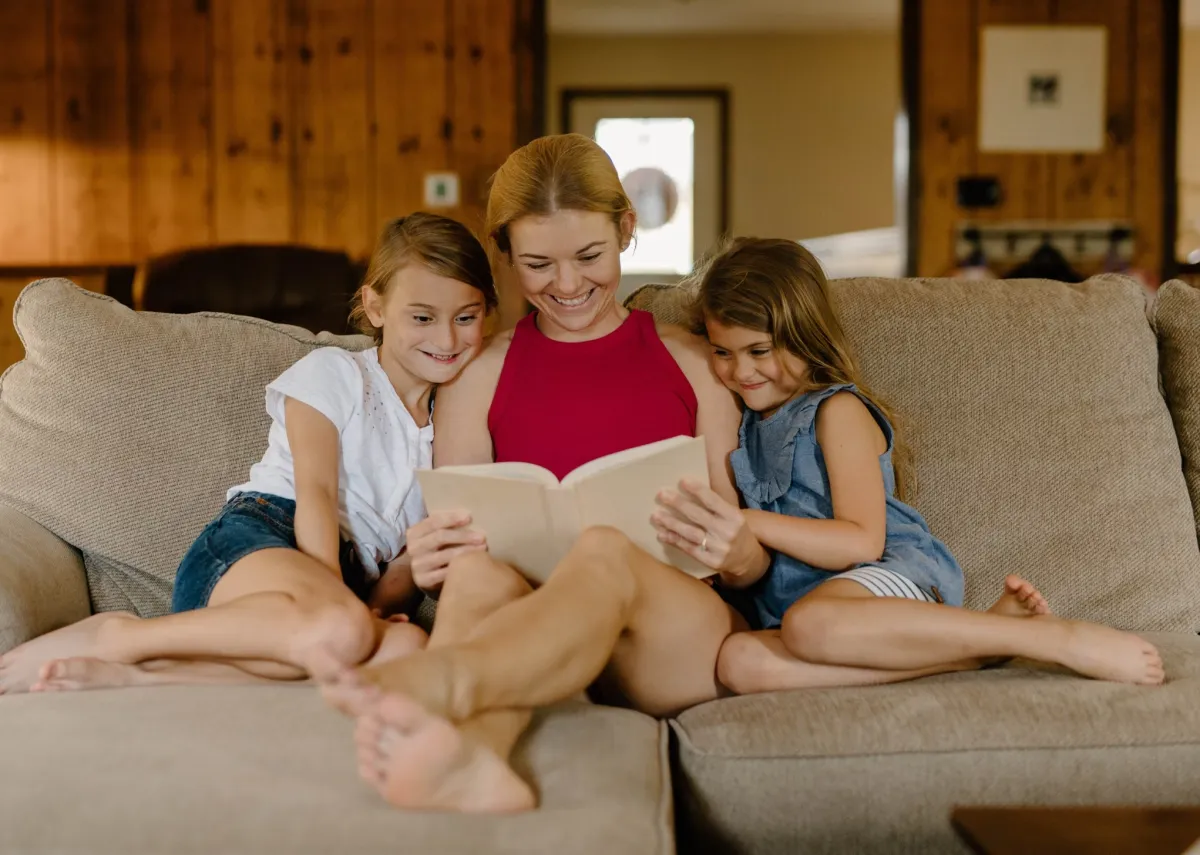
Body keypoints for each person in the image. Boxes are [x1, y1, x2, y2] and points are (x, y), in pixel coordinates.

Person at [0, 212, 497, 694]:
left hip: (336, 586)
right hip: (259, 539)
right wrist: (340, 604)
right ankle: (122, 636)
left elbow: (397, 568)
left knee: (407, 645)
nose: (447, 338)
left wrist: (385, 596)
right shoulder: (337, 373)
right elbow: (317, 494)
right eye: (423, 317)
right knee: (343, 632)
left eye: (466, 317)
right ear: (375, 306)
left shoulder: (448, 435)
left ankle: (146, 677)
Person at [652, 236, 1164, 695]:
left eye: (758, 350)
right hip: (805, 614)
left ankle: (1046, 637)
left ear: (804, 335)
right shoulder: (749, 426)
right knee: (739, 664)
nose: (740, 370)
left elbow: (860, 541)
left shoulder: (835, 412)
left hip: (882, 578)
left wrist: (748, 522)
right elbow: (671, 336)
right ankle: (971, 655)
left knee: (811, 627)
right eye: (723, 351)